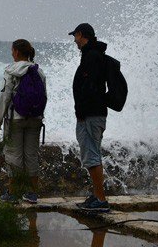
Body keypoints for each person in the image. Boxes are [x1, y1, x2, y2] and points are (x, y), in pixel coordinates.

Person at [0, 39, 46, 204]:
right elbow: (44, 96)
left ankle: (13, 193)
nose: (11, 53)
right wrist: (38, 115)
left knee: (13, 155)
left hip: (15, 118)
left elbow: (5, 97)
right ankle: (32, 193)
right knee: (31, 155)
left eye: (12, 50)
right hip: (35, 119)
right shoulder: (39, 71)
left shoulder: (11, 71)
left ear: (16, 52)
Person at [69, 23, 110, 212]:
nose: (75, 41)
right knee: (92, 154)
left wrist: (82, 112)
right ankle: (97, 196)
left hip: (91, 115)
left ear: (80, 35)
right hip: (93, 113)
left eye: (75, 36)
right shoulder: (93, 54)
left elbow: (90, 87)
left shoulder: (91, 56)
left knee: (92, 155)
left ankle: (100, 199)